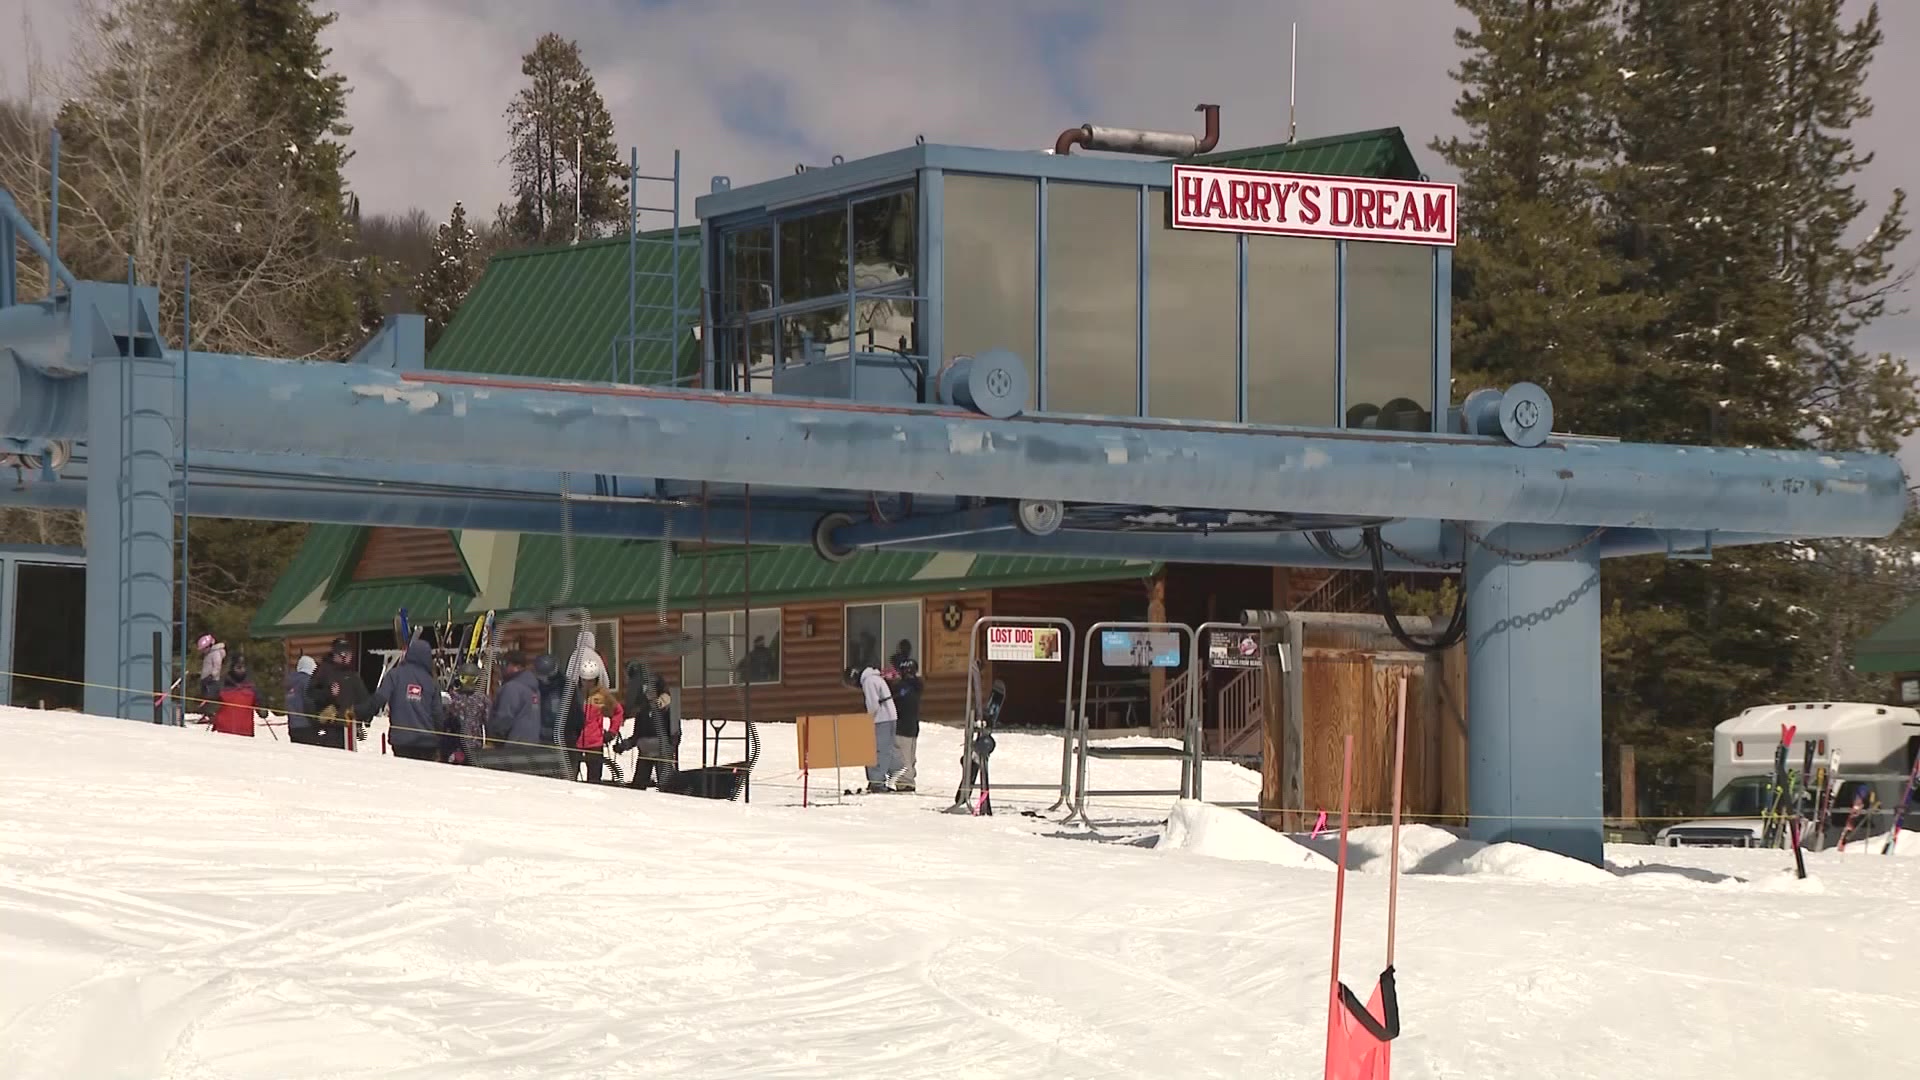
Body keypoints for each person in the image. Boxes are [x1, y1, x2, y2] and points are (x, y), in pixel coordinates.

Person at [362, 637, 445, 762]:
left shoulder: (394, 675)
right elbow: (437, 714)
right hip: (427, 743)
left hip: (401, 741)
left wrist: (366, 714)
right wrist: (440, 734)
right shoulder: (431, 682)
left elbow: (380, 698)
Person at [481, 650, 546, 775]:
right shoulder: (533, 688)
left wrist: (494, 737)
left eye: (505, 664)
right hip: (531, 745)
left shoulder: (512, 688)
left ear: (515, 666)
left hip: (513, 747)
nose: (502, 669)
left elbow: (504, 717)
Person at [303, 637, 368, 750]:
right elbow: (310, 693)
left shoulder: (352, 675)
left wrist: (363, 719)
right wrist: (328, 693)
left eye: (349, 655)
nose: (346, 658)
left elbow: (363, 698)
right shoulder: (323, 670)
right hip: (330, 727)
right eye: (343, 654)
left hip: (349, 727)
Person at [620, 665, 676, 790]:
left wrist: (669, 747)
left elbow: (675, 734)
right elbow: (637, 735)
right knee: (638, 786)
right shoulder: (643, 709)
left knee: (667, 786)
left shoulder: (667, 708)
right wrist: (625, 744)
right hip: (645, 752)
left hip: (662, 753)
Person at [848, 663, 897, 793]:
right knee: (885, 750)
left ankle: (877, 782)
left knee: (876, 750)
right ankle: (879, 780)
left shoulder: (868, 681)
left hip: (881, 719)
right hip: (890, 716)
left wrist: (868, 719)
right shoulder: (875, 678)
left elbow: (873, 705)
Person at [575, 677, 624, 783]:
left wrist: (612, 732)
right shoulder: (574, 693)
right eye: (584, 680)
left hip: (595, 742)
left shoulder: (602, 694)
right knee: (570, 775)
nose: (587, 683)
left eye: (591, 681)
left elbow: (618, 711)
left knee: (594, 778)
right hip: (575, 740)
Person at [209, 652, 269, 737]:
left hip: (245, 733)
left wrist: (262, 710)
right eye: (238, 667)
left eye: (242, 667)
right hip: (223, 732)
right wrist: (212, 708)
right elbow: (209, 702)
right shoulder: (222, 684)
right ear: (232, 667)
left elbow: (259, 703)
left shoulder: (251, 686)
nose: (240, 670)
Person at [888, 655, 923, 792]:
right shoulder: (916, 686)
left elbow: (894, 701)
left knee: (903, 756)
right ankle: (907, 780)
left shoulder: (902, 688)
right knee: (909, 755)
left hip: (902, 726)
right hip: (911, 726)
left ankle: (905, 782)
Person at [445, 661, 491, 764]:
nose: (468, 683)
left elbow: (489, 723)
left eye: (471, 679)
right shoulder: (453, 698)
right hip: (456, 746)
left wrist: (489, 743)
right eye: (465, 679)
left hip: (473, 747)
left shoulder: (481, 699)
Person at [284, 655, 316, 740]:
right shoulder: (307, 681)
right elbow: (310, 701)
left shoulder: (290, 682)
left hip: (293, 726)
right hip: (307, 725)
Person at [195, 634, 226, 715]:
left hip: (212, 681)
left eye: (204, 649)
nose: (203, 651)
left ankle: (211, 714)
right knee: (204, 698)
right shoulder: (208, 654)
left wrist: (211, 676)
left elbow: (217, 666)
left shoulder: (215, 654)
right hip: (205, 680)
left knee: (209, 698)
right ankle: (206, 714)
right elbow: (207, 667)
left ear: (209, 646)